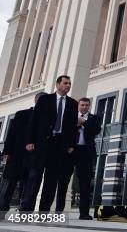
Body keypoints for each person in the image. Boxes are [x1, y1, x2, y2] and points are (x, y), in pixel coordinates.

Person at [20, 75, 78, 212]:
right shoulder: (45, 100)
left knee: (51, 181)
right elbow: (34, 121)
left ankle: (44, 212)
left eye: (69, 83)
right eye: (65, 83)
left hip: (60, 146)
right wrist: (30, 141)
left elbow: (72, 127)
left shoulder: (73, 103)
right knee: (34, 178)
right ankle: (26, 210)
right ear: (57, 85)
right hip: (42, 144)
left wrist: (71, 145)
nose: (68, 86)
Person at [55, 98, 101, 219]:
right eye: (82, 105)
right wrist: (76, 123)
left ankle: (84, 213)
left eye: (86, 105)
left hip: (86, 152)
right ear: (78, 106)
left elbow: (96, 130)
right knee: (63, 182)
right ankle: (59, 212)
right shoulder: (70, 117)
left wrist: (84, 122)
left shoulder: (94, 118)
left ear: (89, 106)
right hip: (70, 151)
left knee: (85, 184)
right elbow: (64, 131)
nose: (84, 107)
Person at [0, 92, 45, 212]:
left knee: (29, 184)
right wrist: (6, 152)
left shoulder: (47, 118)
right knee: (10, 182)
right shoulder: (21, 114)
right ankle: (2, 208)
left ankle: (24, 210)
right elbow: (11, 134)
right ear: (35, 100)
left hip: (34, 157)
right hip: (16, 155)